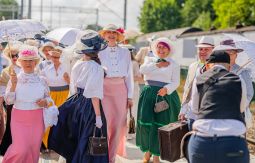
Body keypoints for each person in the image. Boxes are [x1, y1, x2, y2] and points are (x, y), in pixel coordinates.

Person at [48, 30, 109, 163]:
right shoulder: (96, 68)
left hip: (76, 103)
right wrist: (98, 117)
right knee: (89, 139)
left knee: (77, 137)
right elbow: (93, 94)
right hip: (89, 107)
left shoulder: (78, 63)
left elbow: (73, 88)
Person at [188, 50, 249, 163]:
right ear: (229, 67)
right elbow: (241, 108)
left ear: (207, 65)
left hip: (202, 140)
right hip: (232, 141)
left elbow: (195, 109)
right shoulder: (238, 80)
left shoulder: (199, 79)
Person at [2, 45, 52, 163]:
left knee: (33, 149)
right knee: (21, 149)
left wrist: (45, 102)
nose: (28, 63)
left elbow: (49, 99)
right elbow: (8, 101)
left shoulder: (42, 80)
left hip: (37, 118)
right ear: (20, 62)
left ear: (35, 62)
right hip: (19, 118)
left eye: (31, 60)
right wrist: (13, 85)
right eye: (25, 60)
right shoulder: (14, 78)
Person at [136, 37, 181, 163]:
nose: (161, 50)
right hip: (148, 95)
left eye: (164, 47)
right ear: (155, 48)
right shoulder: (149, 59)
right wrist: (158, 65)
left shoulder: (174, 63)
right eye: (159, 47)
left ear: (169, 49)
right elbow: (142, 70)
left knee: (160, 125)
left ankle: (156, 155)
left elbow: (176, 82)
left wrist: (166, 89)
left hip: (164, 96)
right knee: (146, 123)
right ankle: (147, 152)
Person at [98, 24, 134, 163]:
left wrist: (130, 96)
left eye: (114, 33)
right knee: (105, 124)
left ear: (118, 36)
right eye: (108, 33)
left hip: (120, 89)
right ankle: (103, 155)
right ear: (104, 35)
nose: (111, 35)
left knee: (118, 124)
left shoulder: (125, 52)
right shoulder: (99, 51)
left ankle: (112, 157)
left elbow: (129, 75)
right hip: (104, 89)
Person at [213, 39, 254, 128]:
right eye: (225, 52)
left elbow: (249, 94)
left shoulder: (243, 72)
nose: (228, 55)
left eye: (231, 52)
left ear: (236, 55)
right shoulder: (214, 71)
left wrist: (237, 108)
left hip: (236, 115)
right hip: (216, 113)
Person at [179, 36, 214, 130]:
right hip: (192, 114)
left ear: (213, 50)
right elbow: (187, 89)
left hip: (209, 114)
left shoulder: (217, 67)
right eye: (200, 49)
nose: (202, 52)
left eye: (206, 49)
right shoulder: (193, 66)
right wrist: (183, 110)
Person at [41, 46, 70, 149]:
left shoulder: (67, 68)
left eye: (57, 57)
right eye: (52, 56)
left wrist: (68, 80)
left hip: (65, 95)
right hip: (52, 95)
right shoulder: (46, 69)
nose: (54, 59)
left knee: (63, 119)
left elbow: (73, 84)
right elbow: (42, 83)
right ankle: (49, 144)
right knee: (49, 118)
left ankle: (62, 143)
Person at [0, 43, 22, 155]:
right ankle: (10, 148)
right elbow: (2, 90)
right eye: (12, 55)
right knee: (11, 125)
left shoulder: (26, 68)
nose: (14, 58)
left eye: (16, 55)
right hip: (10, 103)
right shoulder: (5, 71)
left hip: (25, 103)